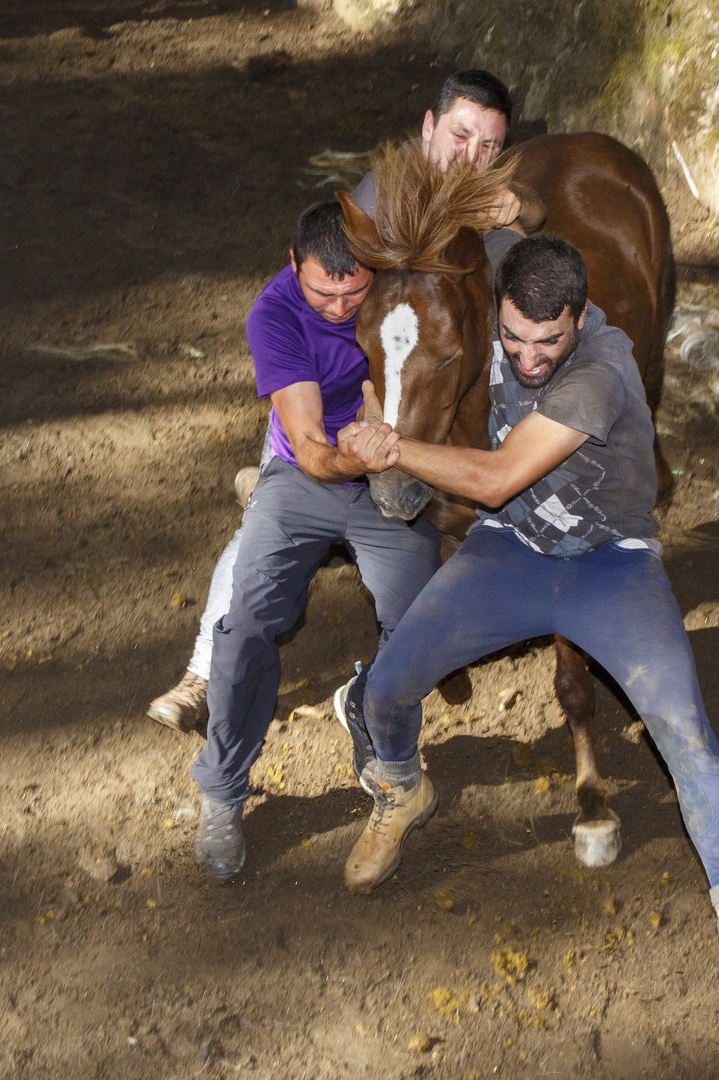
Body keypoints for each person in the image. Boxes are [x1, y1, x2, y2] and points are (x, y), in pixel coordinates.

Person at [337, 233, 719, 1003]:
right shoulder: (512, 293)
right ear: (501, 307)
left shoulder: (600, 371)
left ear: (581, 316)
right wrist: (495, 200)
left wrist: (393, 447)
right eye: (514, 338)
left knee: (684, 731)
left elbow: (494, 479)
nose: (527, 358)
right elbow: (477, 234)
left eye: (547, 342)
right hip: (512, 554)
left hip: (610, 568)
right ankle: (401, 789)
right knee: (387, 685)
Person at [147, 68, 541, 732]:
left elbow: (526, 238)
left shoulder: (478, 203)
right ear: (427, 128)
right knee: (279, 511)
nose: (470, 157)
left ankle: (440, 632)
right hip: (350, 381)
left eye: (488, 147)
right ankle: (203, 672)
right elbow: (331, 306)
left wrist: (522, 209)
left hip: (422, 386)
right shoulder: (380, 203)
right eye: (460, 135)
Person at [188, 200, 446, 880]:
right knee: (244, 625)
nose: (337, 308)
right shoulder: (273, 315)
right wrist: (359, 455)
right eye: (321, 292)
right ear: (291, 263)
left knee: (417, 622)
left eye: (352, 290)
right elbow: (307, 445)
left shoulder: (398, 289)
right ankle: (222, 790)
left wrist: (396, 436)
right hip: (309, 472)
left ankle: (370, 711)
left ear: (377, 272)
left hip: (387, 470)